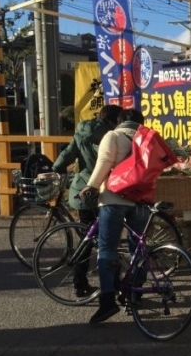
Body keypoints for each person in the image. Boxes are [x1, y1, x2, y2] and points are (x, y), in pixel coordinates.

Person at [79, 109, 150, 324]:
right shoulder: (148, 139)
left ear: (119, 122)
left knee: (107, 249)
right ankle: (135, 292)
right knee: (138, 246)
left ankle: (108, 300)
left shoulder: (113, 136)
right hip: (141, 200)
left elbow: (104, 162)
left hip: (114, 200)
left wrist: (91, 186)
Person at [52, 105, 123, 297]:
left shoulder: (80, 133)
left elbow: (66, 155)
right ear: (114, 120)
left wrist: (56, 167)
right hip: (105, 190)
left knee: (86, 240)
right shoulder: (113, 136)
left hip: (82, 191)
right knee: (109, 241)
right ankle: (114, 285)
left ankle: (79, 284)